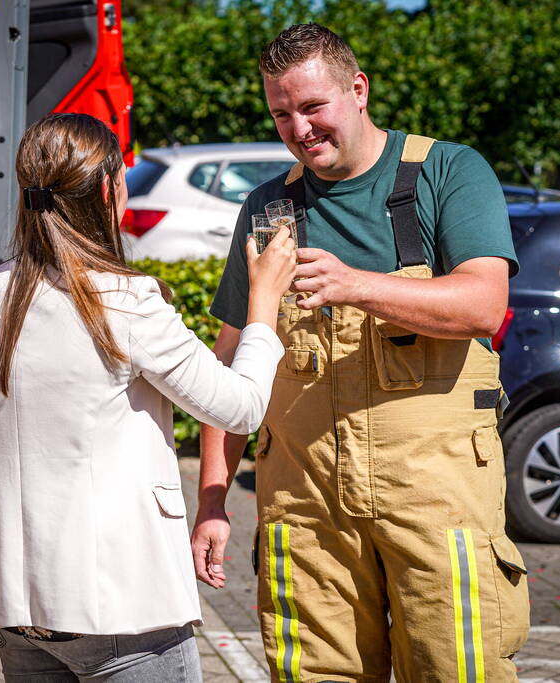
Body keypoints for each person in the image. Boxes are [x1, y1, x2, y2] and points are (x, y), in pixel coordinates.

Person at [190, 24, 531, 682]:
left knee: (455, 669)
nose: (298, 127)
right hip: (305, 512)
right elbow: (228, 366)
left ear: (357, 89)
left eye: (312, 106)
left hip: (435, 507)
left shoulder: (447, 172)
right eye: (280, 113)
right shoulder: (267, 209)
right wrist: (211, 501)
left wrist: (352, 285)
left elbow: (482, 305)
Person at [0, 113, 296, 682]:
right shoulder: (127, 299)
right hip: (120, 603)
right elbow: (239, 405)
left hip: (15, 609)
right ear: (106, 188)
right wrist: (263, 300)